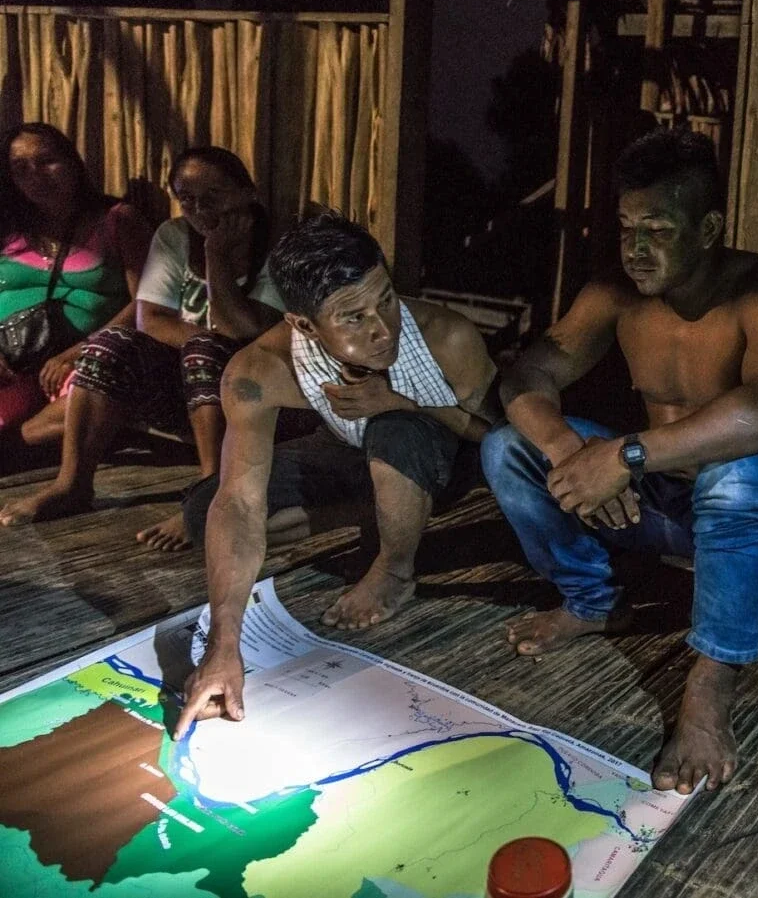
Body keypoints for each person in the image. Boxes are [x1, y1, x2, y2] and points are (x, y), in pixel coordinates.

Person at [479, 128, 758, 796]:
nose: (635, 246)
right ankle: (591, 599)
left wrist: (626, 454)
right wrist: (570, 448)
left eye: (657, 227)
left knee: (739, 468)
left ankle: (711, 679)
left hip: (748, 516)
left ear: (709, 226)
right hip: (650, 496)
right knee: (508, 446)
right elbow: (526, 375)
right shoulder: (614, 292)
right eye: (628, 226)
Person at [172, 212, 498, 736]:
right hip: (352, 450)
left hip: (450, 454)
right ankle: (386, 510)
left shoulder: (447, 335)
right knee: (202, 509)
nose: (382, 327)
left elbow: (500, 439)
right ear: (302, 324)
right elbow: (238, 504)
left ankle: (395, 568)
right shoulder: (260, 370)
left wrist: (400, 402)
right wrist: (223, 647)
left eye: (386, 299)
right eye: (353, 318)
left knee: (395, 431)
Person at [0, 147, 285, 550]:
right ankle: (73, 484)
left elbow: (246, 329)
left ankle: (211, 498)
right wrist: (201, 339)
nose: (200, 209)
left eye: (214, 196)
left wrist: (216, 259)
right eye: (188, 199)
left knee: (204, 349)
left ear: (247, 193)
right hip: (192, 386)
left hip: (258, 393)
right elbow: (149, 320)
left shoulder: (278, 245)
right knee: (108, 343)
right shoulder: (174, 235)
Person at [0, 123, 150, 445]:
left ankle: (15, 443)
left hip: (78, 357)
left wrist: (79, 350)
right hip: (10, 359)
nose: (36, 175)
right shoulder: (9, 227)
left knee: (91, 393)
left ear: (72, 162)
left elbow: (146, 302)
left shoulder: (117, 220)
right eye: (21, 168)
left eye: (47, 161)